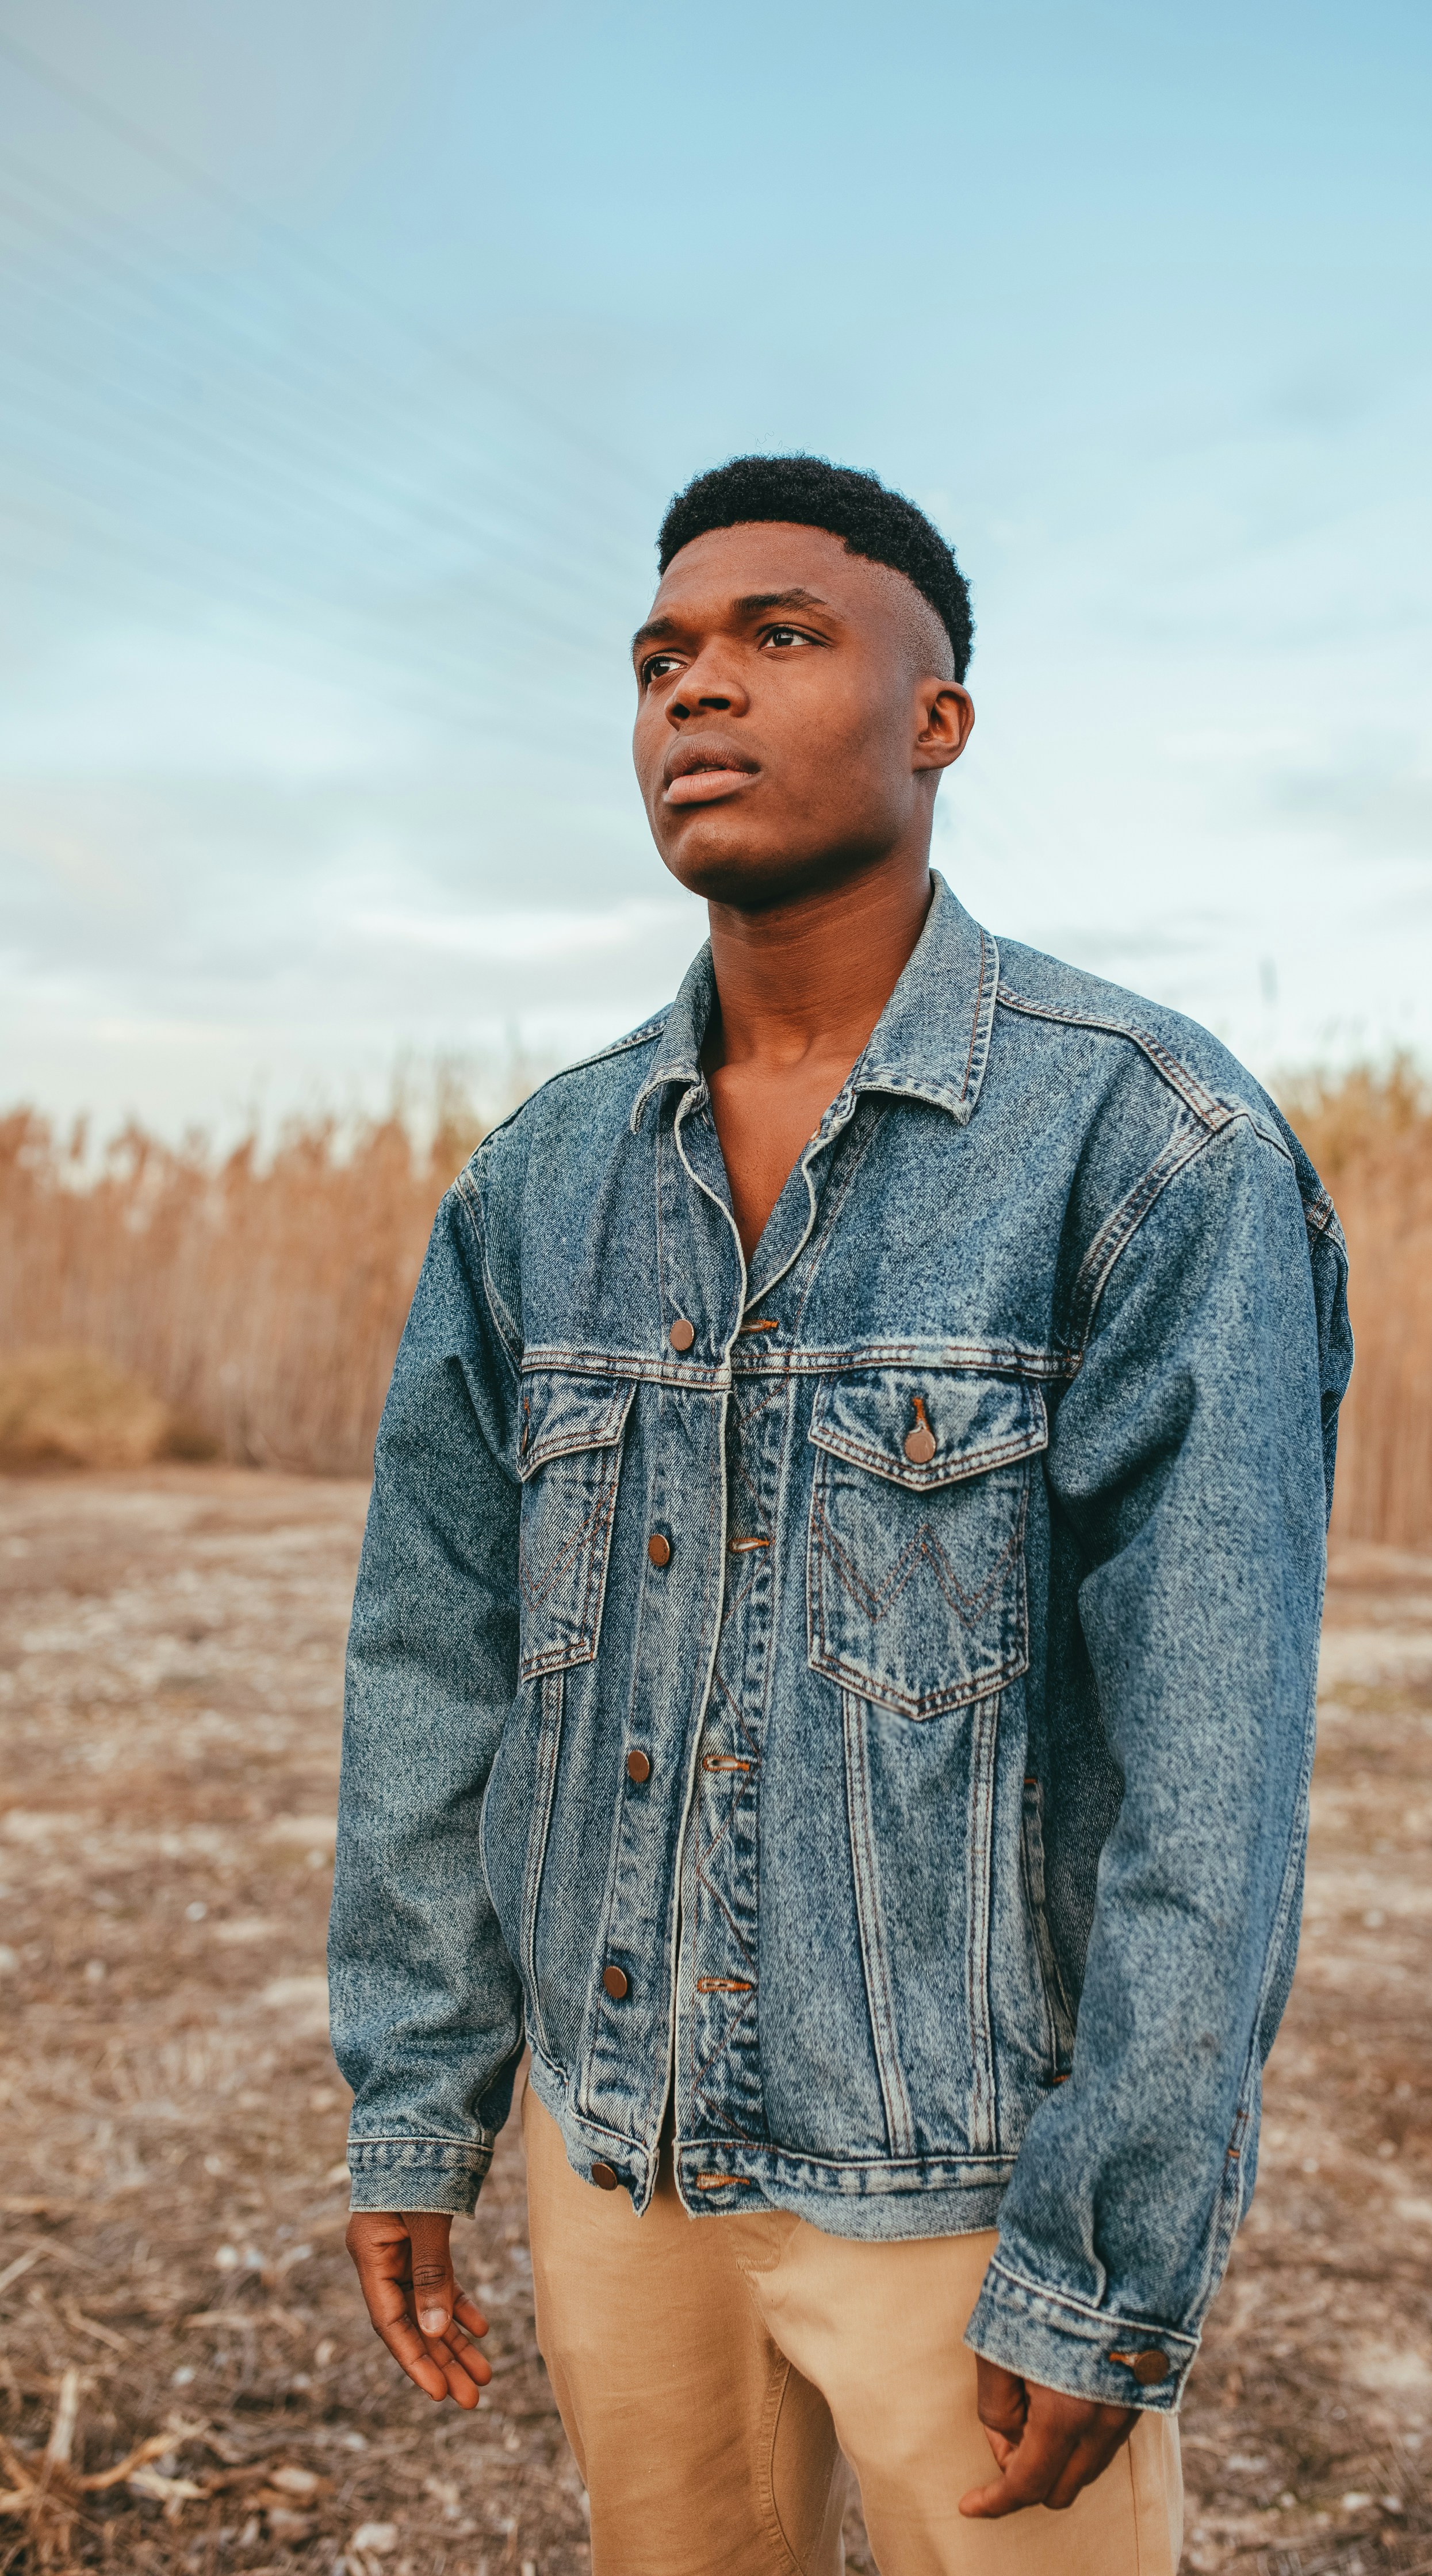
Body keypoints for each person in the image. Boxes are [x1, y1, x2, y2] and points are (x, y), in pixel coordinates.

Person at [331, 454, 1351, 2575]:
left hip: (960, 2190)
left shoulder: (1148, 1146)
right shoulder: (537, 1184)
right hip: (617, 2167)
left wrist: (1107, 2250)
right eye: (659, 660)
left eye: (779, 638)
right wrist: (419, 2100)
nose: (697, 691)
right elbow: (432, 1668)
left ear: (935, 717)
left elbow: (1210, 1757)